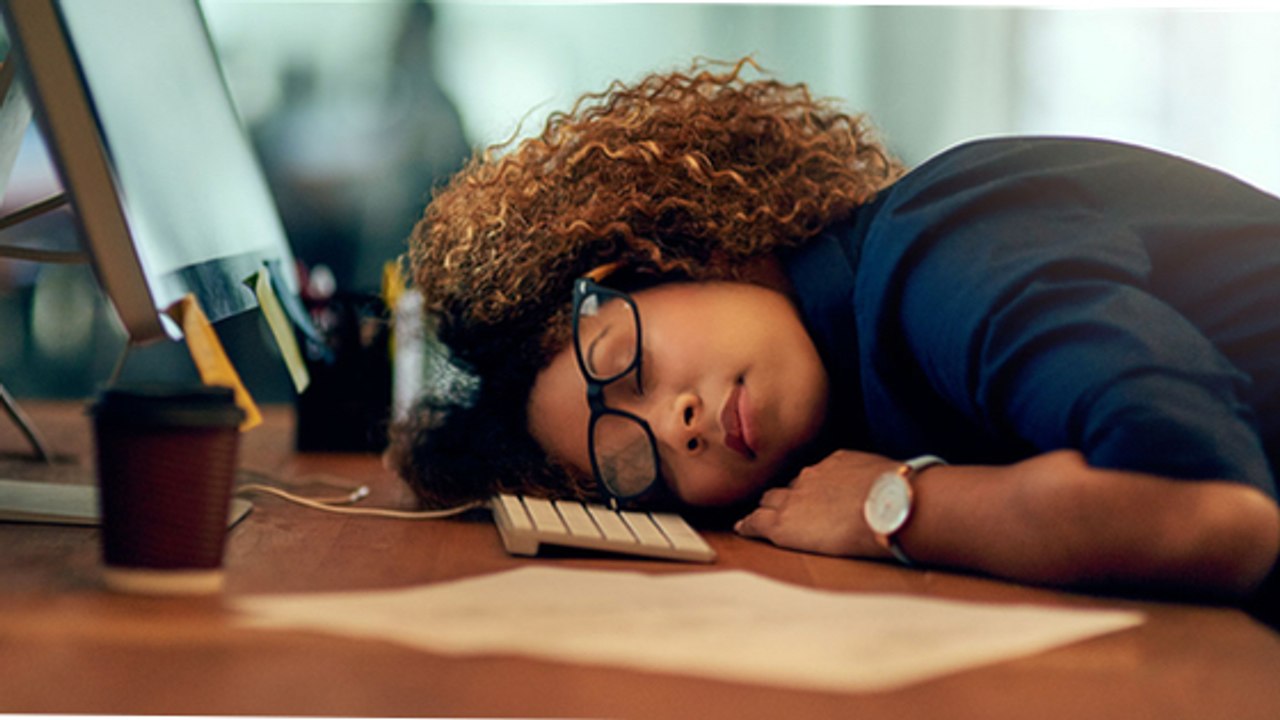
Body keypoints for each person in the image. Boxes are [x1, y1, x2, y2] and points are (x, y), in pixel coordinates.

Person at [386, 58, 1280, 621]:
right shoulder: (856, 379)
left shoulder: (938, 253)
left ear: (677, 251)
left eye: (629, 362)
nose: (677, 424)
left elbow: (1214, 515)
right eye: (628, 458)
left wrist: (896, 507)